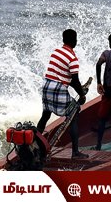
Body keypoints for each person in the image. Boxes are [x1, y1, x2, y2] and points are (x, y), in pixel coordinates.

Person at [37, 29, 89, 159]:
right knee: (74, 112)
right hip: (58, 89)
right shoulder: (72, 58)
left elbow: (61, 76)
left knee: (45, 115)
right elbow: (75, 80)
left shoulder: (56, 52)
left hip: (47, 85)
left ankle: (36, 145)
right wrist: (82, 95)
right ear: (74, 41)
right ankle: (76, 153)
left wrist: (78, 88)